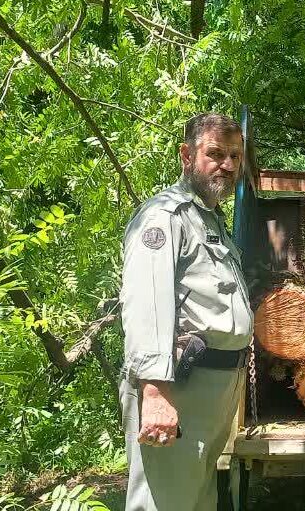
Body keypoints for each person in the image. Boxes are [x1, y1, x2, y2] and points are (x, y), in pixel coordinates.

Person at [119, 112, 254, 509]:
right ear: (186, 155)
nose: (227, 165)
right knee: (166, 502)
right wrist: (155, 392)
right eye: (215, 153)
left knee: (194, 499)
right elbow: (147, 303)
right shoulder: (164, 216)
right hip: (179, 385)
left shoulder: (207, 217)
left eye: (235, 156)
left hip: (212, 388)